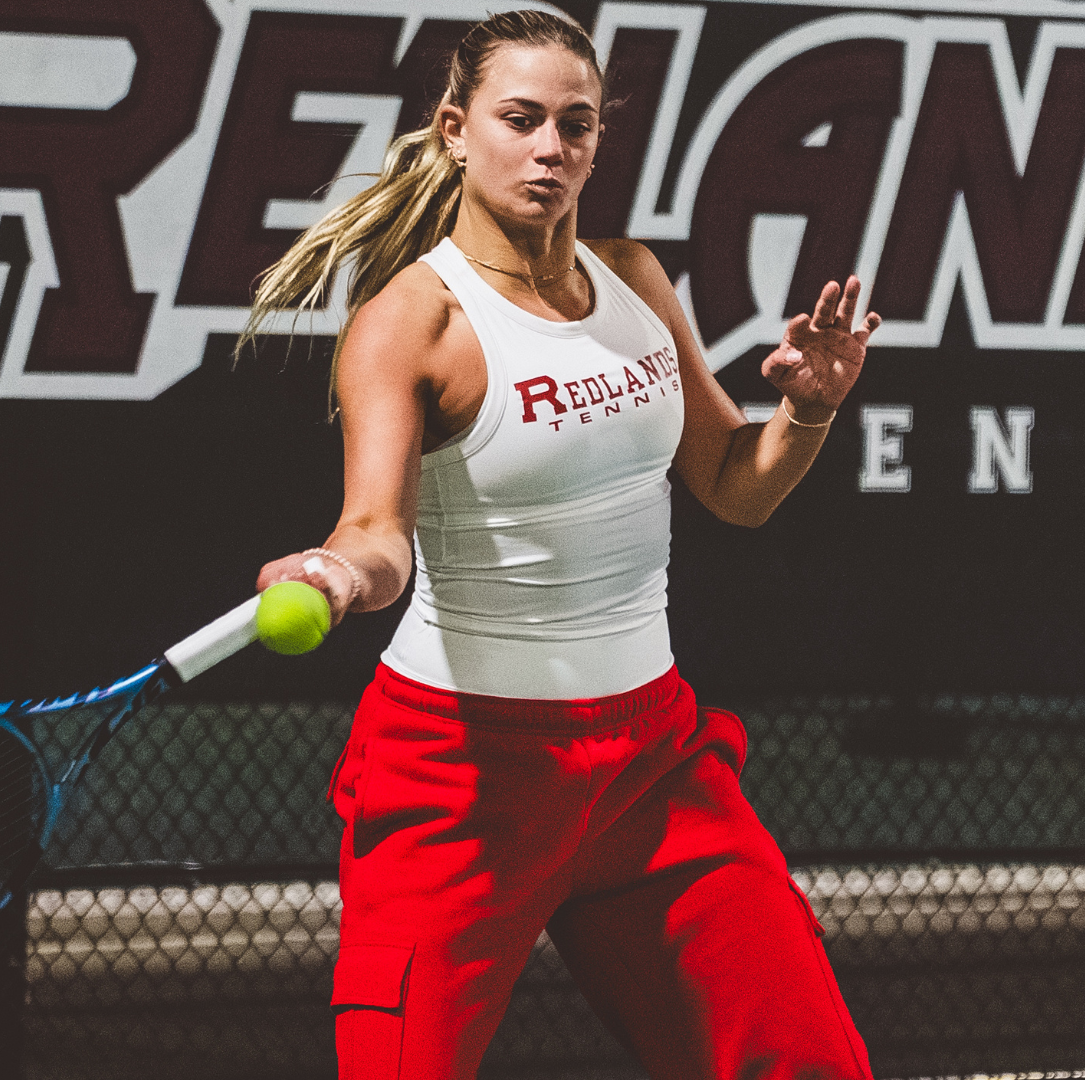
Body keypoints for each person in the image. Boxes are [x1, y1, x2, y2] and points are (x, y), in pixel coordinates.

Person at [245, 11, 879, 1079]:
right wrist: (338, 573)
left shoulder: (632, 276)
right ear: (456, 129)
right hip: (460, 777)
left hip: (654, 764)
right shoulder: (413, 324)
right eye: (521, 120)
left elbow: (735, 487)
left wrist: (808, 411)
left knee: (809, 1059)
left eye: (574, 125)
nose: (551, 148)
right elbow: (377, 534)